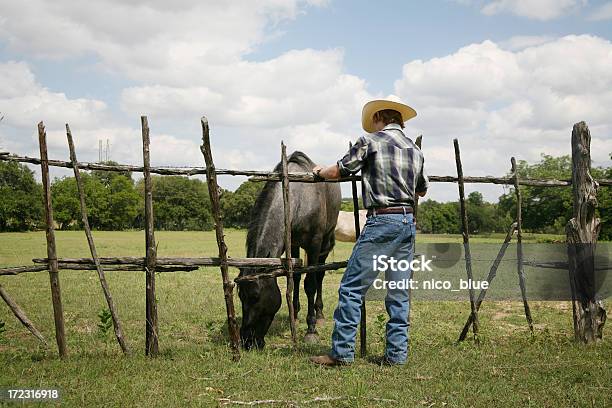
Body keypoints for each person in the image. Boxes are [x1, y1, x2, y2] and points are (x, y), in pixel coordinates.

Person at [309, 99, 428, 367]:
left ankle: (341, 354)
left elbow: (340, 169)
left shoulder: (370, 142)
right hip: (407, 222)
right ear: (400, 121)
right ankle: (396, 356)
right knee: (398, 291)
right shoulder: (414, 150)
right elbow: (421, 190)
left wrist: (318, 172)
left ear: (378, 118)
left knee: (351, 288)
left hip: (381, 221)